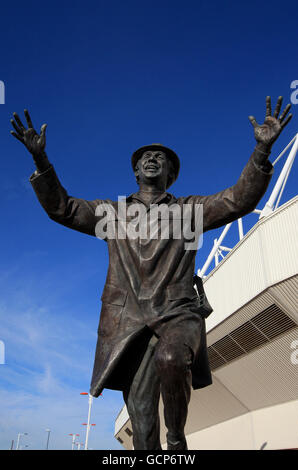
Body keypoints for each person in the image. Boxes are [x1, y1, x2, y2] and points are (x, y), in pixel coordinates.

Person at [10, 96, 292, 450]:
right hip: (129, 320)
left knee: (172, 358)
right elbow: (63, 208)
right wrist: (41, 160)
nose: (152, 159)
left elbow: (238, 199)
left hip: (177, 312)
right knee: (141, 426)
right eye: (146, 157)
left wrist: (261, 153)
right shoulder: (111, 214)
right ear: (136, 171)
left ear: (171, 175)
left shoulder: (190, 210)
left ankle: (176, 439)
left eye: (161, 158)